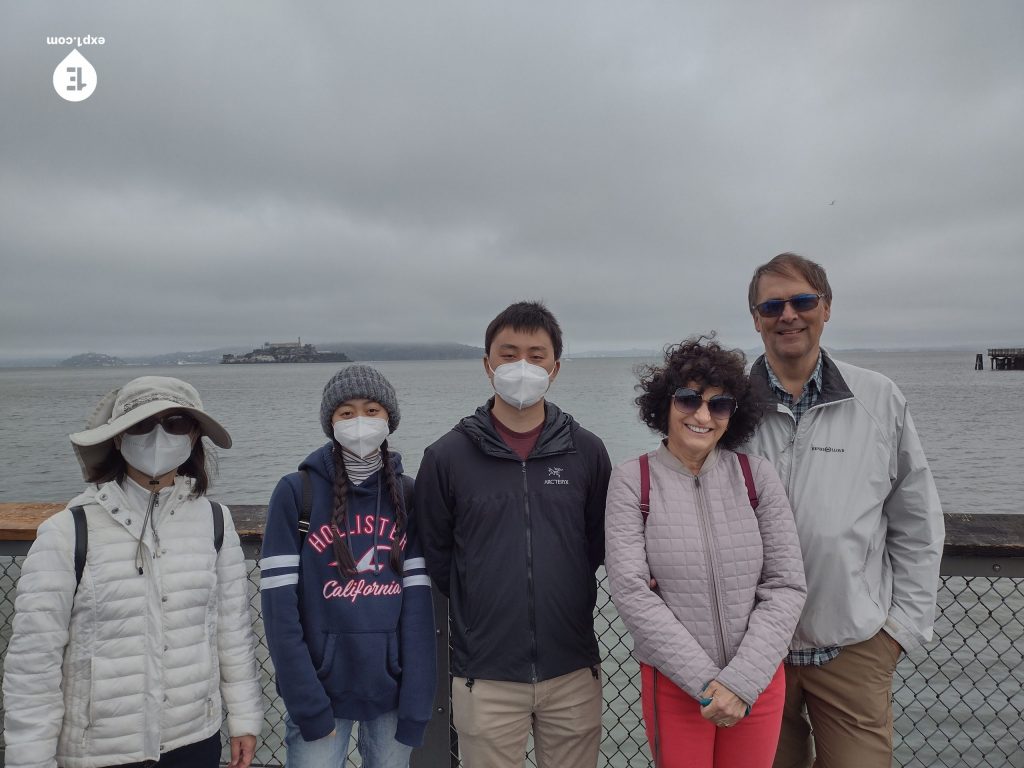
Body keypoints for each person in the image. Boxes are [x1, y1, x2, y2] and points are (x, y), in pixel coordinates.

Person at [744, 253, 945, 768]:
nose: (788, 314)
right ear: (756, 318)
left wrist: (900, 630)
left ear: (826, 308)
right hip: (753, 657)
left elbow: (917, 523)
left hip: (854, 649)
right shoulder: (727, 407)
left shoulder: (878, 398)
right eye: (772, 305)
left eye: (802, 301)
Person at [2, 376, 262, 768]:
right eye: (141, 424)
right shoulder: (67, 531)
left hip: (194, 740)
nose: (159, 435)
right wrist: (30, 758)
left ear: (193, 436)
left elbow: (232, 631)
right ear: (118, 438)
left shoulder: (215, 521)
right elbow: (34, 663)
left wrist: (244, 718)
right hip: (96, 753)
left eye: (175, 422)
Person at [415, 300, 612, 768]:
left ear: (555, 368)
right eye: (508, 354)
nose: (522, 366)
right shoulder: (446, 458)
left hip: (572, 670)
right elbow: (438, 555)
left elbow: (598, 544)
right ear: (487, 365)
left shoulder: (587, 453)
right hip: (484, 677)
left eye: (536, 355)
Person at [605, 336, 806, 768]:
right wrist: (707, 683)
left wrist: (741, 680)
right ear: (665, 405)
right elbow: (632, 593)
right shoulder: (631, 482)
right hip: (675, 685)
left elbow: (786, 584)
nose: (702, 415)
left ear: (733, 415)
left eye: (719, 404)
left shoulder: (757, 478)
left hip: (755, 682)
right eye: (688, 399)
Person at [260, 364, 436, 768]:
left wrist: (415, 704)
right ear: (330, 422)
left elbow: (419, 610)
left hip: (392, 695)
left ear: (389, 419)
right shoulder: (295, 493)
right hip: (321, 694)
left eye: (372, 410)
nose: (360, 421)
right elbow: (279, 612)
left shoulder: (408, 495)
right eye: (347, 412)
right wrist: (307, 702)